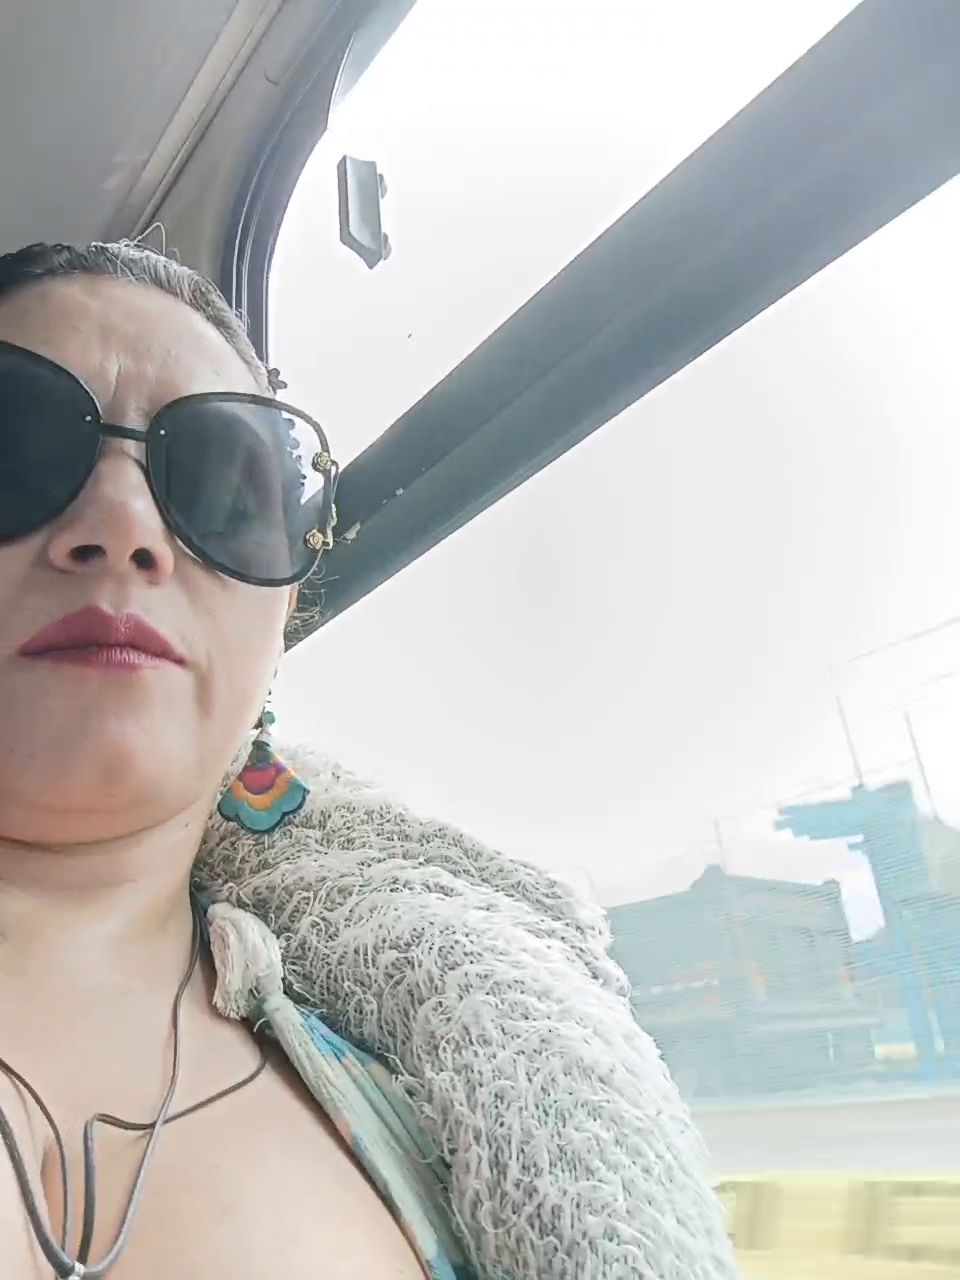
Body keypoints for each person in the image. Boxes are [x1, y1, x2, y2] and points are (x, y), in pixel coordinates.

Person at [0, 239, 740, 1280]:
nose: (122, 525)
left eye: (219, 494)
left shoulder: (432, 1095)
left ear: (277, 628)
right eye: (14, 453)